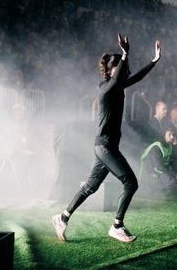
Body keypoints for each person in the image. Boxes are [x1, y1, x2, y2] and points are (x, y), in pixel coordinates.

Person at [52, 33, 161, 243]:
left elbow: (136, 77)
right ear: (111, 71)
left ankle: (62, 218)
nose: (126, 70)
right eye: (121, 67)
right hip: (105, 147)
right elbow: (122, 75)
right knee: (131, 183)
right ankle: (117, 226)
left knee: (90, 187)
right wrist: (125, 54)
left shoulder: (118, 87)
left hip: (106, 147)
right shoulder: (105, 88)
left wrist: (154, 61)